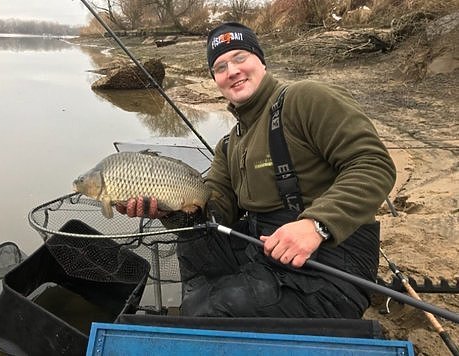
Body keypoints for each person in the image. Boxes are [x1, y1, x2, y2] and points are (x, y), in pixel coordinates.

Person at [117, 22, 396, 319]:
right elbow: (215, 213)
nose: (232, 71)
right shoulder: (229, 144)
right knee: (194, 241)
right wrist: (168, 210)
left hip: (333, 267)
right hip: (266, 252)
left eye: (240, 58)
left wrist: (317, 225)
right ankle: (206, 300)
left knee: (209, 314)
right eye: (220, 66)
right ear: (216, 79)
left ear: (260, 61)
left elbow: (373, 164)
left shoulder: (306, 99)